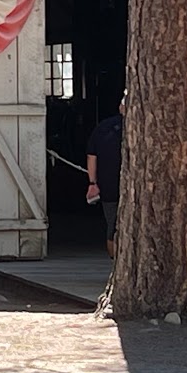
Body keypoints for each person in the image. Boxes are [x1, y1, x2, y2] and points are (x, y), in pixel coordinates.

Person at [86, 94, 125, 258]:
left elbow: (91, 156)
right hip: (139, 187)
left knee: (113, 226)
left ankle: (114, 266)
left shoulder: (103, 127)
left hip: (109, 184)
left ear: (121, 107)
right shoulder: (145, 127)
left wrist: (92, 182)